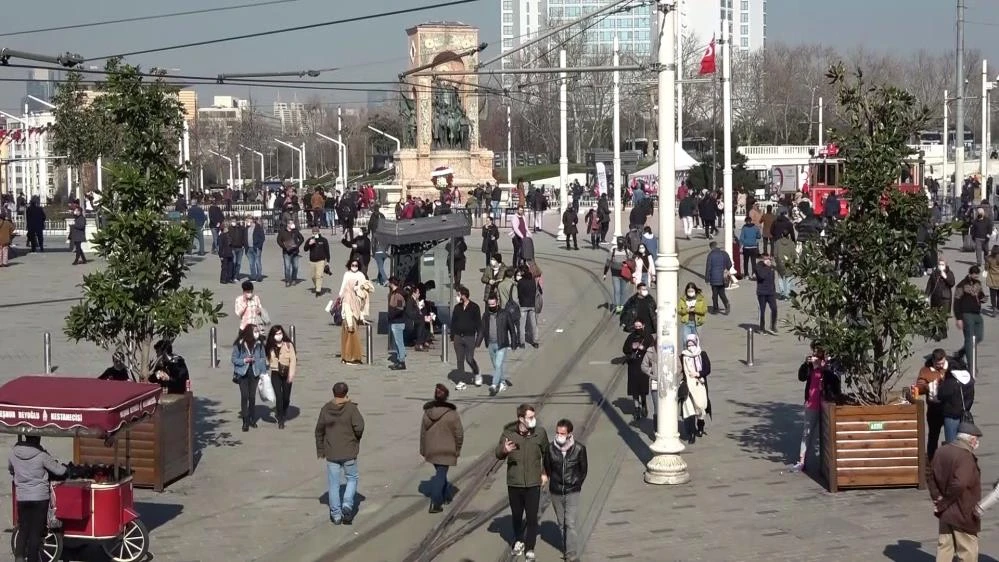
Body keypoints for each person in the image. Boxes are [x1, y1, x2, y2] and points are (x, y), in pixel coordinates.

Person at [495, 403, 549, 560]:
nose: (533, 420)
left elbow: (547, 454)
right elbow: (498, 454)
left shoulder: (540, 433)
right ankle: (519, 540)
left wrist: (545, 473)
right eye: (530, 417)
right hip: (515, 483)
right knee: (517, 515)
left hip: (533, 483)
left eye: (534, 416)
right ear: (521, 418)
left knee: (532, 517)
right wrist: (504, 450)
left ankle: (530, 548)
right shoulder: (508, 434)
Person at [928, 422, 983, 561]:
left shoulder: (942, 451)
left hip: (946, 514)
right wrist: (944, 502)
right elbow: (960, 484)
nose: (977, 443)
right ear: (970, 439)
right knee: (967, 552)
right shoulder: (965, 457)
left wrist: (937, 497)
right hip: (963, 514)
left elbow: (930, 475)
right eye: (976, 439)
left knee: (944, 550)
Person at [9, 435, 67, 562]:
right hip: (39, 497)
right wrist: (66, 468)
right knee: (35, 531)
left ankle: (19, 558)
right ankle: (32, 559)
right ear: (38, 439)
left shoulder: (14, 453)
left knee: (23, 529)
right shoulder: (42, 455)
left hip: (22, 496)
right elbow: (59, 471)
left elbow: (11, 469)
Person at [315, 382, 365, 525]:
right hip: (349, 451)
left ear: (333, 392)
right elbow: (360, 427)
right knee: (352, 478)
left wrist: (320, 449)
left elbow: (319, 430)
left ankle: (336, 515)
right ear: (346, 392)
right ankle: (347, 505)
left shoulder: (326, 409)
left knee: (333, 484)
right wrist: (355, 439)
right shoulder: (351, 409)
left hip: (332, 452)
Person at [543, 419, 587, 562]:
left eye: (562, 433)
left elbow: (583, 470)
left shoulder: (579, 449)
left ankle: (571, 555)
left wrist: (576, 483)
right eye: (557, 432)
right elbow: (548, 468)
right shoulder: (550, 449)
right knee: (561, 524)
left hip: (572, 490)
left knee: (570, 522)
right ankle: (567, 548)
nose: (559, 435)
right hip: (555, 490)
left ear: (569, 434)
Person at [792, 346, 841, 472]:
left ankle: (826, 464)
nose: (816, 359)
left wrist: (825, 369)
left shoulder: (828, 371)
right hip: (811, 405)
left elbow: (836, 385)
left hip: (825, 407)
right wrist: (806, 364)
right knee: (807, 433)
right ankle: (802, 461)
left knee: (825, 434)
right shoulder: (810, 368)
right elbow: (801, 377)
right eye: (814, 356)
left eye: (818, 357)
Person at [420, 384, 464, 513]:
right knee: (441, 474)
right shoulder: (452, 414)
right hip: (447, 450)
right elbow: (459, 433)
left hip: (431, 450)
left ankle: (446, 495)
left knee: (441, 472)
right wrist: (458, 449)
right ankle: (436, 502)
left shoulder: (427, 412)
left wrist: (423, 449)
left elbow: (423, 432)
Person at [477, 295, 516, 396]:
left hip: (501, 343)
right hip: (490, 343)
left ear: (497, 303)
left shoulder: (505, 314)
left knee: (498, 365)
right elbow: (482, 329)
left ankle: (494, 385)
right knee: (496, 366)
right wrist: (477, 342)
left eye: (493, 304)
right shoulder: (485, 315)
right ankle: (502, 381)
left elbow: (512, 329)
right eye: (489, 304)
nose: (491, 306)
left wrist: (514, 343)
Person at [231, 324, 267, 432]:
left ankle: (252, 418)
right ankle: (245, 421)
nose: (257, 333)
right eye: (255, 331)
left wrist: (263, 373)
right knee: (244, 396)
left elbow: (263, 358)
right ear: (249, 332)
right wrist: (244, 360)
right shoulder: (239, 344)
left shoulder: (259, 344)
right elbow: (233, 359)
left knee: (252, 397)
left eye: (258, 331)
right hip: (242, 374)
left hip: (254, 373)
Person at [914, 349, 949, 459]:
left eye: (942, 363)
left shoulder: (950, 367)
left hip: (949, 407)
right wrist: (927, 386)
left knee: (952, 436)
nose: (940, 366)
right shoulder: (925, 371)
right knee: (933, 436)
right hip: (934, 408)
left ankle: (948, 459)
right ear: (933, 361)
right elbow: (919, 387)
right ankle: (931, 459)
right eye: (938, 364)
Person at [679, 334, 712, 444]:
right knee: (689, 410)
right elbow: (680, 370)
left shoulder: (702, 354)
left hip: (700, 385)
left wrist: (698, 374)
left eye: (692, 343)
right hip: (688, 387)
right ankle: (692, 433)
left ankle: (700, 427)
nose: (690, 347)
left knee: (701, 407)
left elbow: (707, 369)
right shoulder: (682, 356)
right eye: (688, 344)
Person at [339, 260, 371, 365]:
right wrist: (350, 324)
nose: (354, 267)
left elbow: (365, 289)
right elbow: (347, 309)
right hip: (349, 320)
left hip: (353, 317)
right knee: (351, 339)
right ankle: (350, 358)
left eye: (356, 265)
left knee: (349, 339)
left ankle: (346, 357)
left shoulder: (361, 275)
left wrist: (361, 317)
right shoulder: (348, 294)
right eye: (352, 265)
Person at [265, 325, 297, 430]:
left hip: (287, 373)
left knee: (286, 397)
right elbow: (266, 359)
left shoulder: (288, 345)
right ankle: (281, 418)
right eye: (277, 334)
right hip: (275, 373)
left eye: (280, 333)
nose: (279, 336)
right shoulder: (269, 346)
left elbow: (293, 360)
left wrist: (291, 374)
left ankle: (284, 408)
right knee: (279, 396)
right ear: (273, 336)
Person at [937, 359, 975, 444]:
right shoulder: (969, 380)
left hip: (951, 416)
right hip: (964, 415)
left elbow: (940, 395)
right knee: (964, 442)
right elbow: (971, 398)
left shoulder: (951, 382)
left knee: (952, 443)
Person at [451, 286, 482, 389]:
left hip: (469, 337)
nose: (457, 297)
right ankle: (461, 381)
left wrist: (478, 340)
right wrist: (452, 336)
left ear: (464, 295)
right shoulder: (457, 307)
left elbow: (478, 324)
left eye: (458, 294)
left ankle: (476, 373)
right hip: (458, 337)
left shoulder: (474, 307)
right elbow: (453, 322)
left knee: (469, 358)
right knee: (460, 359)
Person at [953, 272, 985, 370]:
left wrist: (982, 298)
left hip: (977, 315)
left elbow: (981, 295)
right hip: (966, 315)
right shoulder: (961, 285)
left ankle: (961, 352)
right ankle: (972, 367)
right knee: (970, 341)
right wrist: (958, 318)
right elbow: (956, 302)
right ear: (970, 274)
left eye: (978, 274)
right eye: (975, 274)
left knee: (979, 337)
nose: (977, 276)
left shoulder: (978, 283)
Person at [623, 319, 654, 420]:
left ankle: (644, 403)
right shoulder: (631, 337)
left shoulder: (648, 337)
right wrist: (632, 346)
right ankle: (637, 407)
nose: (637, 329)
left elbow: (653, 349)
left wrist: (643, 348)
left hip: (643, 365)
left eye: (639, 327)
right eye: (636, 327)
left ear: (643, 326)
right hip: (633, 364)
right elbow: (625, 349)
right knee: (634, 388)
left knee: (642, 387)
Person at [926, 259, 956, 339]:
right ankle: (935, 331)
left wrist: (945, 276)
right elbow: (929, 285)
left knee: (943, 316)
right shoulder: (934, 273)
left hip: (945, 298)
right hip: (935, 297)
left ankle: (943, 333)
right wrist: (926, 296)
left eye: (942, 264)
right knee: (934, 315)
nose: (941, 266)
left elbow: (952, 283)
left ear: (946, 265)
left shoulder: (949, 273)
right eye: (939, 264)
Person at [704, 241, 732, 314]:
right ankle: (726, 304)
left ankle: (716, 309)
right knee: (722, 293)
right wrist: (726, 269)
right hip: (723, 278)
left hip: (714, 278)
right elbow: (730, 264)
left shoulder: (710, 255)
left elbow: (708, 267)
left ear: (711, 247)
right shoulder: (724, 253)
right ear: (717, 246)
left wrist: (707, 279)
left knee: (715, 294)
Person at [603, 237, 629, 313]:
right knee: (617, 291)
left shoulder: (627, 252)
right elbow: (608, 262)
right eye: (619, 244)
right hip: (615, 274)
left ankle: (622, 306)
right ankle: (618, 307)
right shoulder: (613, 250)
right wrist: (605, 273)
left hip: (624, 275)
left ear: (624, 244)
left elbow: (632, 263)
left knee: (623, 291)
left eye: (622, 244)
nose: (620, 246)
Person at [754, 253, 778, 335]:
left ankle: (773, 326)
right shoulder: (758, 266)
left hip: (771, 292)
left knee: (774, 309)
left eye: (769, 258)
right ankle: (762, 328)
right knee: (762, 310)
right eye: (766, 259)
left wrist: (772, 265)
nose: (768, 260)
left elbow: (776, 272)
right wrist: (767, 267)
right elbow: (761, 276)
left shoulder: (771, 267)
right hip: (762, 292)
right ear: (762, 259)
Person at [387, 277, 408, 371]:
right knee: (398, 342)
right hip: (396, 321)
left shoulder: (398, 294)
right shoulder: (395, 293)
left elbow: (400, 308)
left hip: (397, 322)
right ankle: (399, 360)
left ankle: (401, 361)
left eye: (389, 282)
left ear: (392, 283)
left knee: (399, 342)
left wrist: (391, 315)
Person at [305, 226, 332, 296]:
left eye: (316, 232)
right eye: (313, 233)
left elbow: (327, 251)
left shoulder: (323, 240)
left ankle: (318, 291)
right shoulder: (310, 239)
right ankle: (317, 286)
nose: (314, 234)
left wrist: (328, 261)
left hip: (321, 260)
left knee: (319, 275)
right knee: (313, 276)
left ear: (319, 232)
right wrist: (309, 244)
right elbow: (305, 249)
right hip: (312, 261)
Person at [277, 221, 304, 287]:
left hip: (295, 252)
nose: (293, 224)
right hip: (286, 252)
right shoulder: (282, 231)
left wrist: (297, 245)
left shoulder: (295, 231)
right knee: (287, 267)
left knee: (295, 267)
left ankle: (294, 279)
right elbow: (278, 240)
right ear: (288, 224)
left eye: (293, 223)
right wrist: (284, 247)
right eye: (291, 223)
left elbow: (301, 239)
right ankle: (288, 281)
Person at [246, 216, 265, 283]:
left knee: (257, 262)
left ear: (252, 221)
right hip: (249, 248)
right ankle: (253, 277)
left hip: (256, 248)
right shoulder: (247, 228)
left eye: (248, 221)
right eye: (247, 221)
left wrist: (258, 246)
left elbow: (262, 238)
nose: (247, 222)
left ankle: (259, 276)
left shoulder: (258, 227)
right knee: (251, 263)